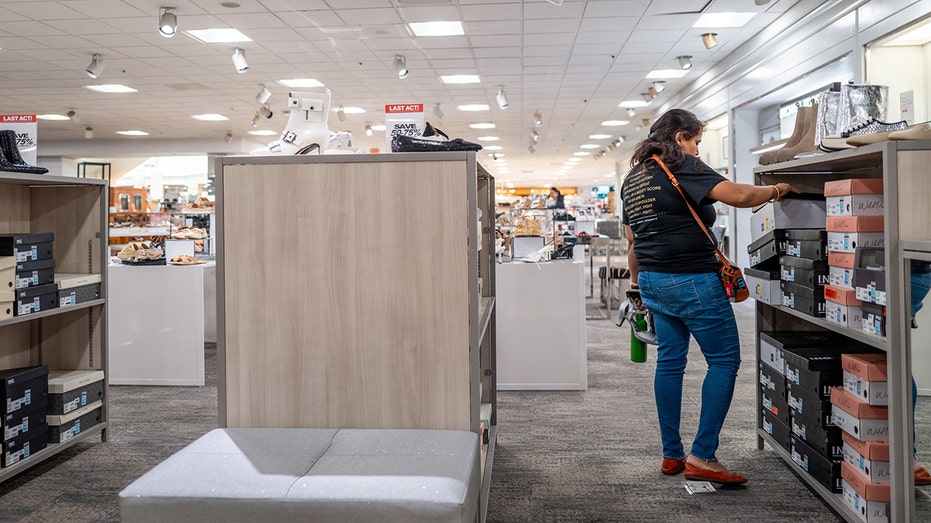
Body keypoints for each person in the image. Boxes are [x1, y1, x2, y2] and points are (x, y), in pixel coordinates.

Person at [621, 108, 799, 485]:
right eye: (697, 141)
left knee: (669, 363)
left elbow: (632, 242)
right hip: (690, 279)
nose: (698, 150)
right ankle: (702, 456)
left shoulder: (633, 178)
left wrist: (639, 287)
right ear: (681, 137)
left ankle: (672, 454)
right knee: (723, 361)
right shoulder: (679, 163)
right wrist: (779, 189)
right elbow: (740, 195)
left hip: (653, 280)